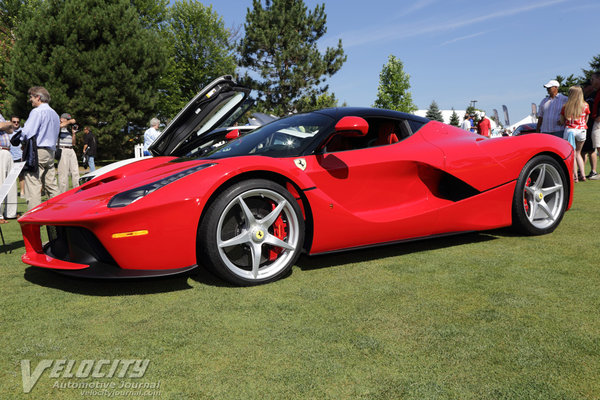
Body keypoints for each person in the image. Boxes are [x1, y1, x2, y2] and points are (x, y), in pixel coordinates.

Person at [18, 86, 60, 210]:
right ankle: (58, 213)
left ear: (38, 97)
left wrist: (20, 141)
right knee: (51, 185)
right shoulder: (54, 114)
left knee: (33, 184)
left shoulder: (37, 112)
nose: (30, 100)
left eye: (31, 97)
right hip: (50, 151)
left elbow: (27, 132)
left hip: (37, 151)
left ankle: (34, 218)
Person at [560, 86, 590, 182]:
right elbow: (586, 119)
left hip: (570, 130)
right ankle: (583, 175)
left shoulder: (566, 106)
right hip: (582, 130)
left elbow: (562, 120)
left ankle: (575, 177)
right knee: (578, 153)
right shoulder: (585, 105)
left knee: (572, 154)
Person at [57, 112, 80, 193]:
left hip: (71, 150)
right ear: (62, 119)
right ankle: (63, 193)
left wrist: (73, 133)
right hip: (63, 150)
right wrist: (70, 122)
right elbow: (60, 125)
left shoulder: (69, 129)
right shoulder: (58, 126)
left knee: (75, 172)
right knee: (63, 174)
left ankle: (77, 191)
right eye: (67, 120)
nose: (69, 121)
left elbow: (73, 143)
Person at [0, 115, 16, 223]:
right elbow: (3, 126)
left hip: (8, 150)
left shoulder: (1, 116)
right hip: (0, 150)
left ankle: (11, 213)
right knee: (1, 182)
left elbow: (10, 130)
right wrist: (8, 124)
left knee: (11, 182)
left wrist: (7, 125)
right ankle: (0, 215)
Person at [9, 116, 25, 197]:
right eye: (14, 122)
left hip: (20, 156)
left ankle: (22, 192)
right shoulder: (8, 131)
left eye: (17, 122)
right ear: (11, 122)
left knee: (21, 176)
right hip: (10, 156)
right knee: (10, 176)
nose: (16, 123)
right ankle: (11, 193)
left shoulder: (22, 131)